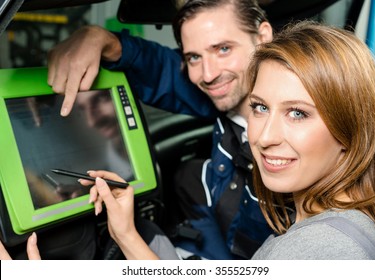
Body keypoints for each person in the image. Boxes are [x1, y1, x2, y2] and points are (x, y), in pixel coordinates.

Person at [6, 21, 375, 260]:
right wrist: (125, 233)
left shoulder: (322, 251)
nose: (265, 137)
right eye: (258, 108)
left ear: (350, 127)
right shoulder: (319, 226)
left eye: (298, 113)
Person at [46, 0, 275, 260]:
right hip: (225, 243)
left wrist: (128, 237)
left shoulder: (294, 143)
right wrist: (102, 39)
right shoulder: (230, 93)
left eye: (223, 49)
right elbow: (164, 71)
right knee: (185, 177)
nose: (208, 75)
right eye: (194, 57)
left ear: (263, 37)